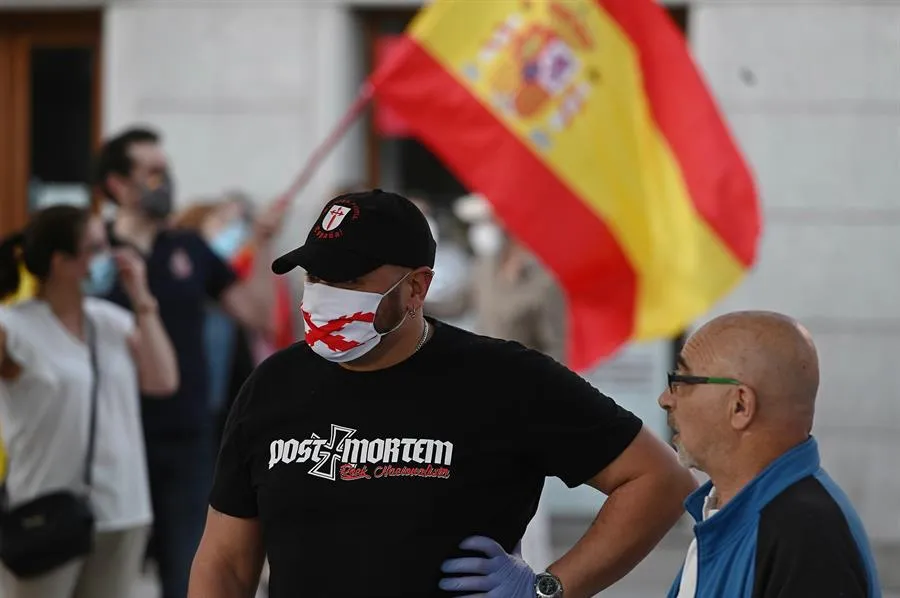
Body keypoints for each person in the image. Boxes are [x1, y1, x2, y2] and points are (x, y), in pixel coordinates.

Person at [188, 189, 697, 598]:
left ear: (416, 288)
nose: (323, 292)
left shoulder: (505, 378)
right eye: (316, 275)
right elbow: (225, 562)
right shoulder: (273, 386)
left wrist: (550, 587)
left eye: (349, 278)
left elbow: (659, 481)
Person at [91, 127, 283, 598]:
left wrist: (261, 247)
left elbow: (255, 314)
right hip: (114, 438)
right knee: (105, 579)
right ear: (117, 184)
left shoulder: (189, 250)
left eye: (166, 170)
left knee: (186, 574)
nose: (164, 181)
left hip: (187, 439)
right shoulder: (94, 253)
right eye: (151, 172)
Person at [0, 205, 179, 598]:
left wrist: (142, 298)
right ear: (61, 262)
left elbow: (164, 380)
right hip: (43, 510)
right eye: (96, 248)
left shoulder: (110, 320)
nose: (110, 258)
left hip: (122, 509)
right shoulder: (14, 327)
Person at [660, 310, 881, 598]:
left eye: (682, 381)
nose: (665, 399)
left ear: (740, 405)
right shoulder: (728, 514)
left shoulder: (806, 536)